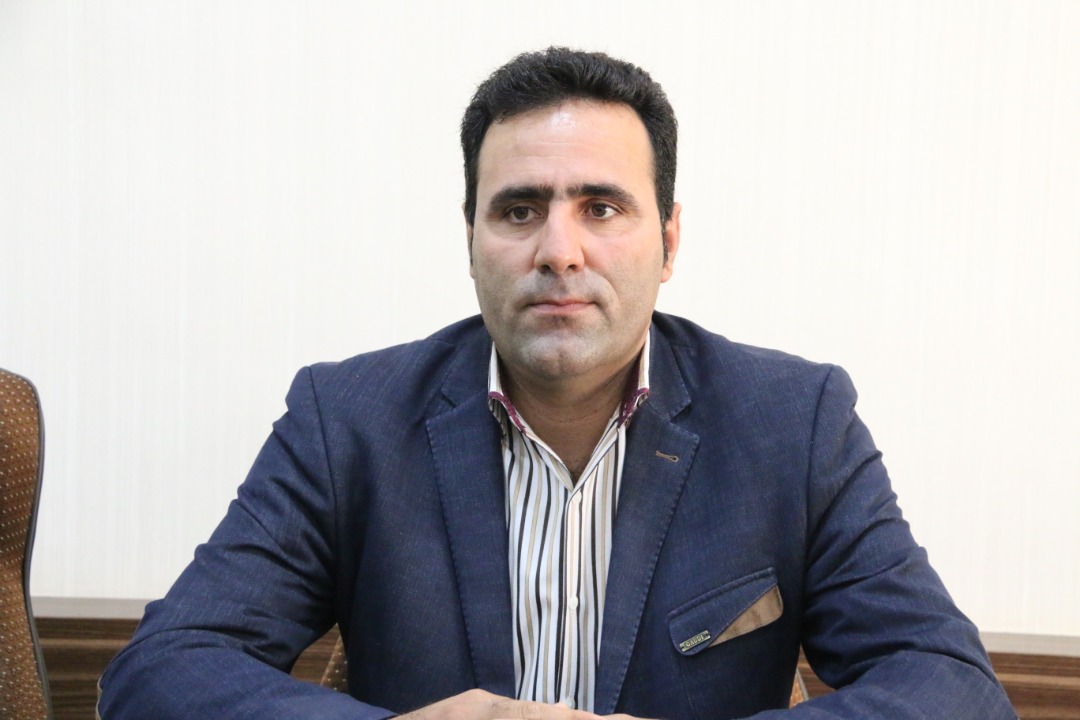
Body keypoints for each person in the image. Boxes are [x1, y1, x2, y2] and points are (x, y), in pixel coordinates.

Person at [98, 47, 1016, 719]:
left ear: (669, 241)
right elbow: (160, 672)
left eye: (602, 207)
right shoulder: (347, 423)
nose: (559, 250)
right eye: (519, 209)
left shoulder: (795, 423)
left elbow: (953, 687)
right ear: (470, 240)